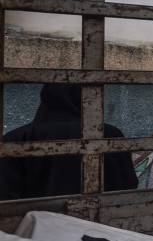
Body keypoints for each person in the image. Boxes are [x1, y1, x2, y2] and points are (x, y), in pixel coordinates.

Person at [0, 83, 138, 198]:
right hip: (100, 226)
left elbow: (7, 193)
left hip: (39, 226)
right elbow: (129, 183)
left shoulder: (18, 138)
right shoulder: (110, 134)